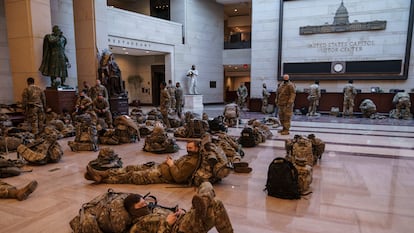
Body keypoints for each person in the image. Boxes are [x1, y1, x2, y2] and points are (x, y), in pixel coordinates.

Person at [127, 181, 234, 233]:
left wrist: (180, 212)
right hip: (180, 230)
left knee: (207, 186)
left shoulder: (154, 210)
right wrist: (167, 224)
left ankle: (203, 204)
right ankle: (203, 203)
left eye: (145, 202)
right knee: (214, 202)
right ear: (133, 210)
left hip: (186, 222)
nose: (146, 205)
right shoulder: (138, 226)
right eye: (142, 205)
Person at [84, 141, 201, 185]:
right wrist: (170, 162)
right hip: (159, 167)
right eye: (187, 147)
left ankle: (102, 179)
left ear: (197, 149)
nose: (187, 149)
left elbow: (179, 177)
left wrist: (171, 164)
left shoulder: (192, 162)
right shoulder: (190, 156)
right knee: (130, 168)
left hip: (161, 175)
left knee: (131, 176)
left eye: (190, 148)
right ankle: (104, 173)